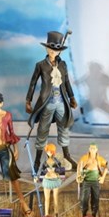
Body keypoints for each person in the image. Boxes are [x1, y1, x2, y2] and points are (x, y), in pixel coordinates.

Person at [26, 31, 78, 171]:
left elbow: (66, 82)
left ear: (60, 51)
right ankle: (37, 159)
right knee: (43, 129)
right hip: (47, 103)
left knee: (64, 127)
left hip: (61, 102)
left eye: (56, 50)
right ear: (47, 49)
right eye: (50, 49)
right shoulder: (41, 65)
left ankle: (67, 155)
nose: (53, 52)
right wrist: (28, 101)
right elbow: (33, 83)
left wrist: (72, 97)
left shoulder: (63, 65)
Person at [76, 143, 108, 217]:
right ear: (89, 149)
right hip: (86, 181)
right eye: (91, 148)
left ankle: (94, 215)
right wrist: (78, 176)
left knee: (96, 199)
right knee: (84, 199)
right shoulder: (84, 158)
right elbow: (79, 166)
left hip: (95, 181)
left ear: (97, 149)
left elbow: (106, 167)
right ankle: (83, 215)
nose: (92, 150)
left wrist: (103, 177)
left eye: (94, 148)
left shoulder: (99, 159)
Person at [36, 142, 63, 217]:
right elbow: (41, 172)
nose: (49, 153)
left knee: (55, 199)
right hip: (47, 181)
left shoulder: (57, 162)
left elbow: (62, 172)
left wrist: (55, 171)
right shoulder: (44, 162)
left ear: (53, 152)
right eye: (48, 151)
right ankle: (46, 215)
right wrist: (38, 178)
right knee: (46, 199)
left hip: (55, 181)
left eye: (51, 151)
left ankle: (56, 214)